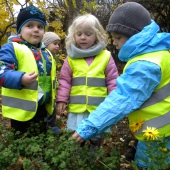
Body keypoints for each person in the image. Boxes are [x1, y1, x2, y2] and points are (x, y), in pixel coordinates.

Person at [72, 2, 170, 168]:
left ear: (135, 35)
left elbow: (123, 99)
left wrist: (89, 126)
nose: (115, 43)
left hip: (158, 135)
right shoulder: (159, 53)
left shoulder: (144, 65)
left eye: (118, 38)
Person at [56, 13, 118, 149]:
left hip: (98, 108)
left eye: (88, 34)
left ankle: (94, 158)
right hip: (78, 108)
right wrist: (61, 99)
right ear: (73, 36)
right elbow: (65, 81)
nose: (83, 37)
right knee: (77, 137)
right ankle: (79, 160)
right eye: (79, 34)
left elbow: (112, 80)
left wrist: (114, 101)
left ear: (97, 35)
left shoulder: (105, 56)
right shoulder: (71, 58)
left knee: (96, 137)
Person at [0, 6, 56, 135]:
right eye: (29, 26)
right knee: (23, 142)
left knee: (41, 140)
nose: (36, 30)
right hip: (21, 110)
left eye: (40, 27)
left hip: (42, 107)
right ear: (20, 31)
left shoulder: (46, 52)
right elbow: (1, 71)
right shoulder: (11, 48)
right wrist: (20, 78)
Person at [42, 32, 62, 133]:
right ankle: (49, 126)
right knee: (46, 109)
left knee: (51, 107)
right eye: (55, 43)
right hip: (44, 89)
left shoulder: (51, 57)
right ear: (45, 43)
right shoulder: (44, 56)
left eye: (58, 44)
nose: (57, 46)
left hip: (50, 89)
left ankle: (51, 125)